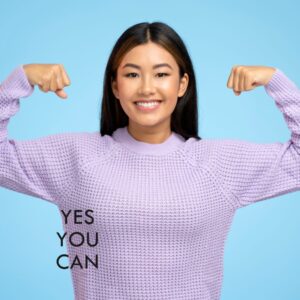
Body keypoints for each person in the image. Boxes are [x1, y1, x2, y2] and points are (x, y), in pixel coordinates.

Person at [0, 21, 299, 300]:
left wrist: (276, 80)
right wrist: (20, 80)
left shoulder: (217, 164)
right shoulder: (76, 158)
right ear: (115, 86)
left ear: (182, 85)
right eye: (131, 74)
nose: (146, 88)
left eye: (161, 74)